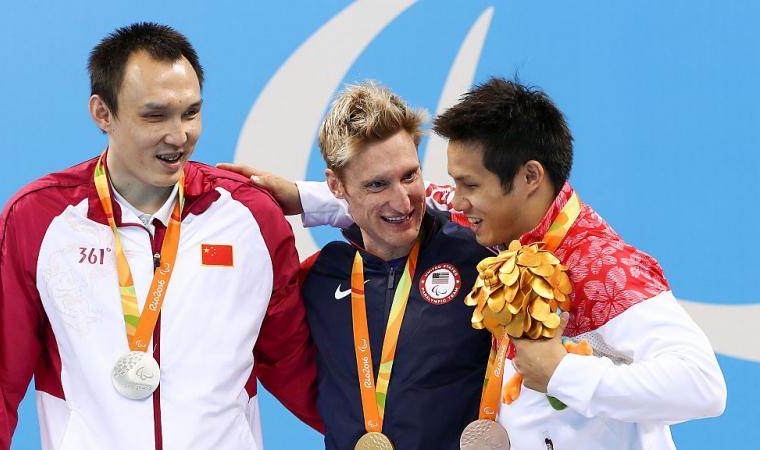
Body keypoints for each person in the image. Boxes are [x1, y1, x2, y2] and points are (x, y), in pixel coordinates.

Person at [228, 77, 727, 449]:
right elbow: (394, 203)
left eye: (469, 186)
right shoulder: (497, 225)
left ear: (529, 178)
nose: (453, 201)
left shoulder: (598, 266)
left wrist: (560, 374)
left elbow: (703, 386)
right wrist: (299, 196)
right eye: (451, 182)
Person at [0, 23, 320, 449]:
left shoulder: (249, 217)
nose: (179, 135)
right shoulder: (37, 220)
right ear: (102, 113)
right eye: (155, 115)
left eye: (191, 112)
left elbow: (299, 369)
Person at [259, 81, 494, 449]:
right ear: (336, 186)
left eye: (409, 176)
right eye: (377, 185)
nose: (402, 202)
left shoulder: (481, 261)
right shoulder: (318, 279)